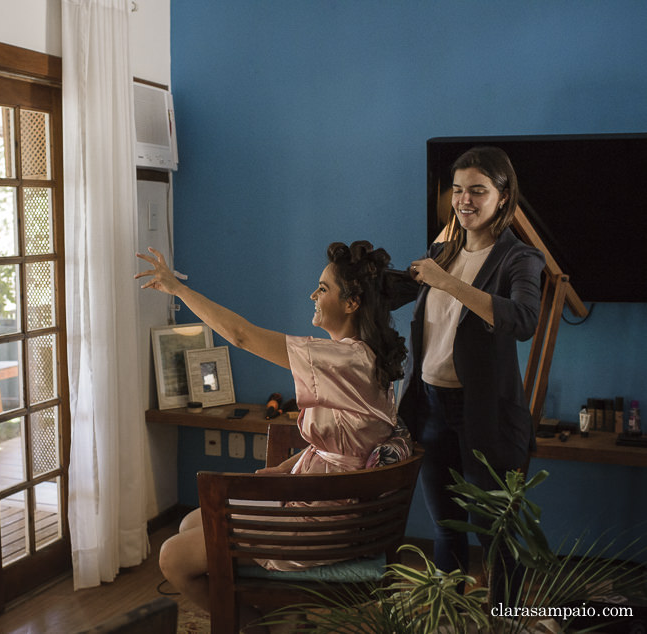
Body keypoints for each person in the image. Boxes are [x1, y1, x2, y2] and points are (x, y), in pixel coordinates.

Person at [136, 241, 408, 617]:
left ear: (352, 303)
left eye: (323, 288)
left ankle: (254, 627)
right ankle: (273, 621)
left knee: (173, 557)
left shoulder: (344, 359)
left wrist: (178, 288)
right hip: (328, 502)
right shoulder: (363, 356)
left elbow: (241, 335)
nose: (313, 295)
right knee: (189, 523)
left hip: (323, 519)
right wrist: (286, 467)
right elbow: (344, 446)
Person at [391, 146, 544, 601]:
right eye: (458, 190)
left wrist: (449, 282)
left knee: (495, 538)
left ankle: (504, 625)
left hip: (485, 416)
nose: (465, 200)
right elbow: (405, 288)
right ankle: (452, 620)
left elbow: (522, 320)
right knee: (445, 530)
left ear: (503, 196)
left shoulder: (520, 258)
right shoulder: (445, 249)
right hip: (431, 409)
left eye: (478, 190)